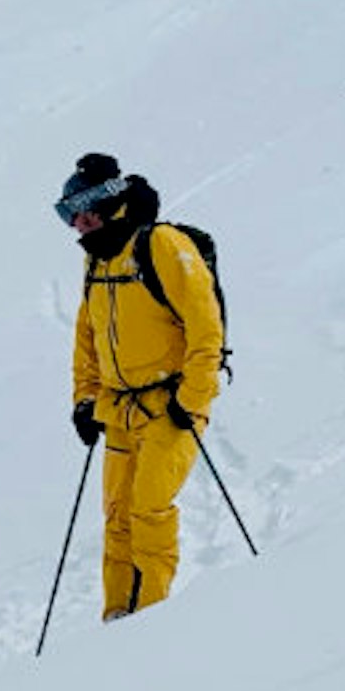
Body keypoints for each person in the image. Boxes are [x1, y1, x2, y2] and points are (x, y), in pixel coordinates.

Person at [58, 153, 222, 618]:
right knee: (118, 519)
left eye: (86, 211)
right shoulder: (98, 262)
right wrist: (85, 402)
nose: (78, 224)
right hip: (118, 410)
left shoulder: (162, 246)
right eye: (69, 215)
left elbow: (206, 329)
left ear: (113, 204)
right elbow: (86, 340)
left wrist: (191, 400)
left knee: (148, 511)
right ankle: (117, 619)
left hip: (172, 402)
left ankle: (152, 621)